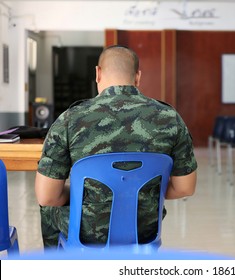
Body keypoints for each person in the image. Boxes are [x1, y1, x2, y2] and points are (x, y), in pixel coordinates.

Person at [35, 45, 197, 248]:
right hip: (143, 231)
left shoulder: (70, 119)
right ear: (137, 77)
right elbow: (185, 188)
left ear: (97, 73)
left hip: (87, 233)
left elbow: (47, 196)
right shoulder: (170, 118)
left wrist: (80, 192)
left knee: (48, 208)